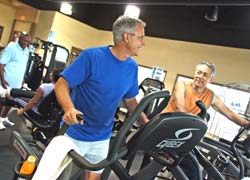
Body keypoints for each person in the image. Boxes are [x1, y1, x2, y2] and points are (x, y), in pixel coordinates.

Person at [51, 15, 149, 180]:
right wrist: (69, 108)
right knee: (60, 177)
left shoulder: (132, 67)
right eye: (140, 37)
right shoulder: (92, 57)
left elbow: (131, 100)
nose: (143, 42)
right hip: (74, 132)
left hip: (102, 137)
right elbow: (61, 83)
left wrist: (147, 125)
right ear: (126, 37)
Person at [162, 61, 249, 180]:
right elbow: (179, 107)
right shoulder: (182, 84)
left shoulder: (210, 95)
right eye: (199, 73)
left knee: (197, 168)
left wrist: (247, 124)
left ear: (210, 79)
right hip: (166, 127)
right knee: (192, 169)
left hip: (184, 135)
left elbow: (229, 113)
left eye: (205, 75)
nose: (200, 76)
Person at [0, 32, 30, 129]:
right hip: (7, 81)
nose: (26, 43)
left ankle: (3, 118)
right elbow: (1, 64)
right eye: (24, 40)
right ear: (19, 39)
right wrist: (3, 79)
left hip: (17, 82)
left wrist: (23, 79)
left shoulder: (27, 51)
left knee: (11, 101)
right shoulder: (11, 48)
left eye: (28, 41)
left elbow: (23, 66)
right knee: (2, 100)